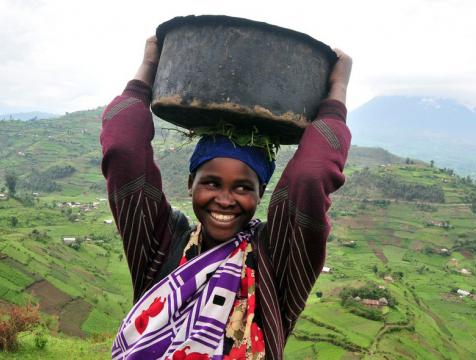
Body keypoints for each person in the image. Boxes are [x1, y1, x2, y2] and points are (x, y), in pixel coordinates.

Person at [101, 35, 352, 360]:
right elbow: (122, 151)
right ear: (191, 183)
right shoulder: (160, 245)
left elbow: (311, 177)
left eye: (243, 187)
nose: (224, 198)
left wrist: (337, 90)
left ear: (261, 193)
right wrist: (149, 66)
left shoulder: (276, 262)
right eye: (212, 182)